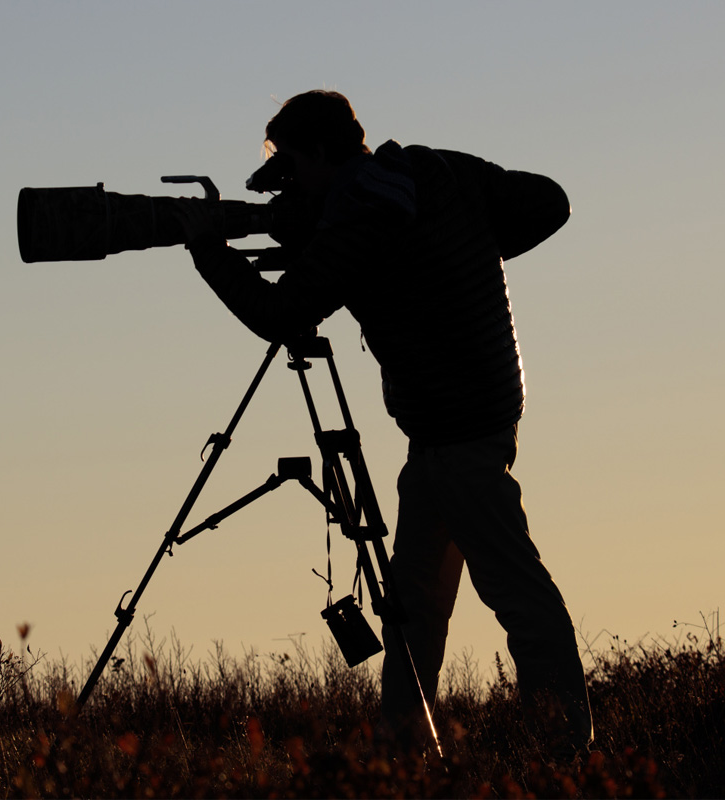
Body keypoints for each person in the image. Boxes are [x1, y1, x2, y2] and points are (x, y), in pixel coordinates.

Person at [176, 90, 592, 758]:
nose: (292, 188)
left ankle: (564, 754)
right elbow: (548, 202)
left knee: (517, 595)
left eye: (293, 169)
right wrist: (456, 257)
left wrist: (209, 250)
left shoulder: (363, 217)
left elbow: (281, 315)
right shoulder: (430, 172)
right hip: (458, 425)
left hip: (458, 431)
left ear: (317, 153)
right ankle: (403, 753)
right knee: (413, 606)